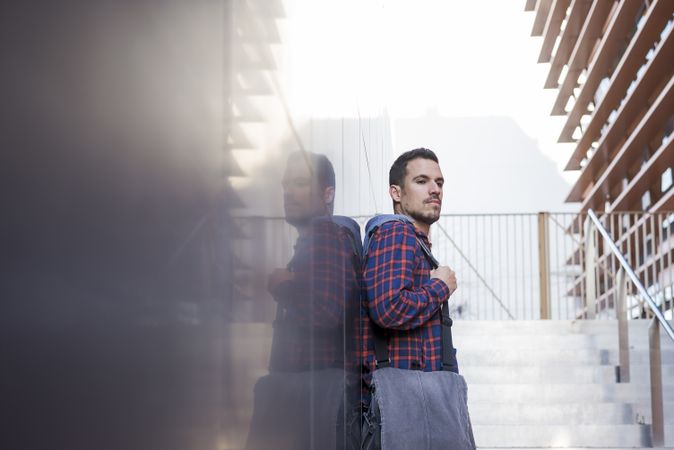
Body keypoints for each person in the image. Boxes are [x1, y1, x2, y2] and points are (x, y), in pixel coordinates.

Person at [246, 151, 361, 450]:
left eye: (299, 183)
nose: (288, 192)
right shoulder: (315, 240)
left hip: (311, 400)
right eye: (285, 184)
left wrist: (283, 286)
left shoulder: (325, 234)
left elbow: (326, 311)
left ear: (328, 194)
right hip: (311, 399)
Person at [360, 148, 458, 394]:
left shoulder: (414, 243)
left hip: (414, 395)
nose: (434, 189)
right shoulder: (397, 232)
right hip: (404, 399)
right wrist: (440, 287)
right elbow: (389, 308)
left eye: (439, 182)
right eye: (421, 181)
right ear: (396, 192)